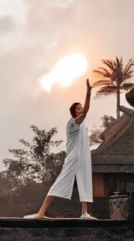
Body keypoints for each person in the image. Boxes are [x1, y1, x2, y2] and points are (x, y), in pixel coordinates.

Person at [25, 79, 94, 219]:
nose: (81, 109)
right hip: (73, 157)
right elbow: (86, 111)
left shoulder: (82, 124)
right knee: (60, 182)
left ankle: (85, 212)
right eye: (78, 108)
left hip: (82, 156)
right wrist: (88, 92)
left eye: (81, 107)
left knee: (85, 180)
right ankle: (41, 213)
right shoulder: (73, 123)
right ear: (74, 112)